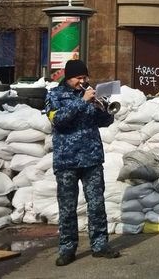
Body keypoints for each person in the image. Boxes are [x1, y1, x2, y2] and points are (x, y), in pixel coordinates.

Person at [45, 59, 120, 266]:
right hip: (66, 160)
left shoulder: (90, 95)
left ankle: (100, 245)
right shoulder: (54, 95)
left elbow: (104, 122)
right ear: (68, 78)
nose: (83, 81)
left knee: (96, 204)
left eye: (85, 77)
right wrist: (82, 102)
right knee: (67, 208)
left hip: (91, 158)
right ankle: (67, 248)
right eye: (79, 78)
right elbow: (58, 120)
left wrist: (103, 107)